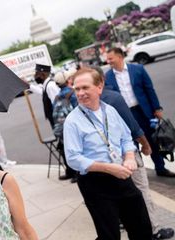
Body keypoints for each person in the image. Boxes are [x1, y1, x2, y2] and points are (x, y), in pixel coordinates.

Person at [63, 68, 152, 239]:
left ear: (99, 86)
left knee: (141, 226)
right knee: (109, 234)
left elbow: (126, 137)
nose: (80, 93)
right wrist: (109, 168)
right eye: (77, 89)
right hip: (95, 182)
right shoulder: (72, 122)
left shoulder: (110, 110)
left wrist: (130, 156)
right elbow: (73, 159)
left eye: (85, 88)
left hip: (121, 175)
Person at [92, 65, 175, 240]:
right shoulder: (113, 98)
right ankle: (153, 229)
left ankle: (127, 222)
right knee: (141, 190)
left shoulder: (82, 104)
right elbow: (132, 127)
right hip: (124, 154)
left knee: (121, 193)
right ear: (101, 81)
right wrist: (145, 145)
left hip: (103, 160)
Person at [105, 47, 175, 177]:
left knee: (151, 140)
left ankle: (160, 168)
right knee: (131, 144)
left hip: (143, 111)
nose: (108, 61)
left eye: (110, 58)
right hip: (124, 114)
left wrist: (157, 108)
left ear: (120, 57)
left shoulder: (138, 69)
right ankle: (139, 173)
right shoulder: (107, 77)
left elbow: (149, 89)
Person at [52, 69, 78, 182]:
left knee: (68, 150)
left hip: (62, 130)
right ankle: (78, 174)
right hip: (75, 128)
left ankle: (71, 172)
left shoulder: (57, 97)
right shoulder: (73, 93)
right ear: (68, 80)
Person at [24, 64, 60, 128]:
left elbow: (57, 105)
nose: (35, 76)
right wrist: (28, 85)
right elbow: (42, 92)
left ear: (42, 75)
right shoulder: (46, 85)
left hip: (57, 120)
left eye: (36, 74)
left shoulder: (50, 86)